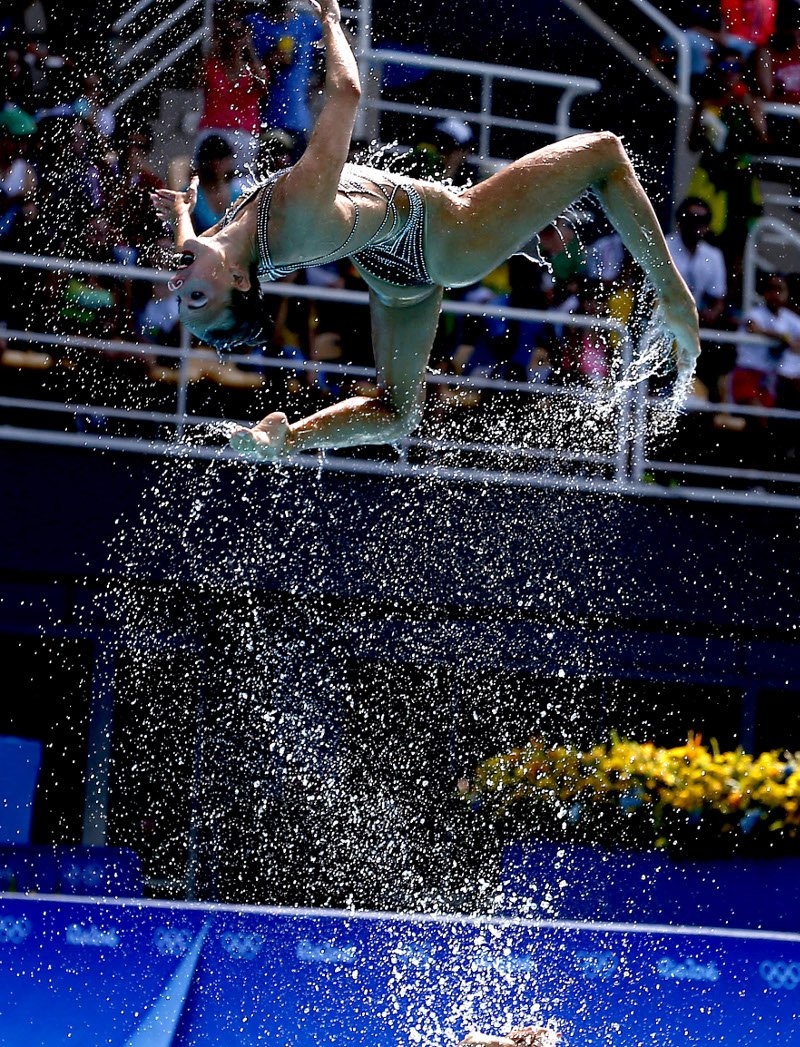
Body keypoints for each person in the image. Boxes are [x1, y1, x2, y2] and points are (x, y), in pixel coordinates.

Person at [151, 0, 699, 460]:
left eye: (183, 296)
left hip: (392, 273)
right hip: (444, 239)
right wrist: (332, 21)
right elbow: (346, 93)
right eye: (195, 295)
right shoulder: (293, 213)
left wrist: (180, 212)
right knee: (604, 152)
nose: (179, 283)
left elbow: (191, 257)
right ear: (238, 280)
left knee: (397, 414)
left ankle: (287, 438)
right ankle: (676, 298)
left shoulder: (219, 249)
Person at [667, 197, 727, 327]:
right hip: (665, 316)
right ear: (680, 221)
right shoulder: (664, 247)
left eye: (703, 220)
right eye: (692, 219)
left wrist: (711, 314)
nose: (698, 225)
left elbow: (718, 299)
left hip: (696, 322)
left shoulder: (713, 255)